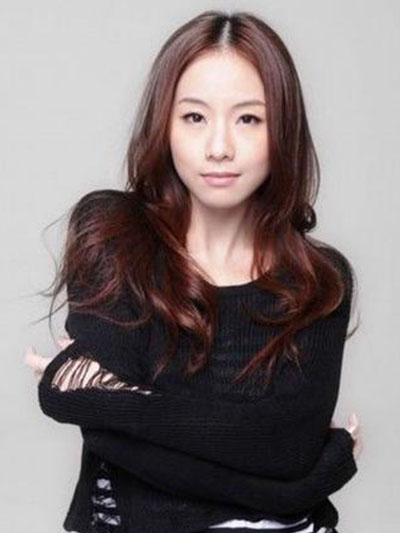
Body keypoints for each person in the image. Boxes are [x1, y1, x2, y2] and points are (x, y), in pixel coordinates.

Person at [25, 9, 363, 533]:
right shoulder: (113, 237)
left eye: (248, 119)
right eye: (194, 118)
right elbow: (283, 456)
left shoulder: (319, 281)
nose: (219, 147)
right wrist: (306, 482)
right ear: (165, 124)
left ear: (283, 130)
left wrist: (108, 402)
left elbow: (284, 449)